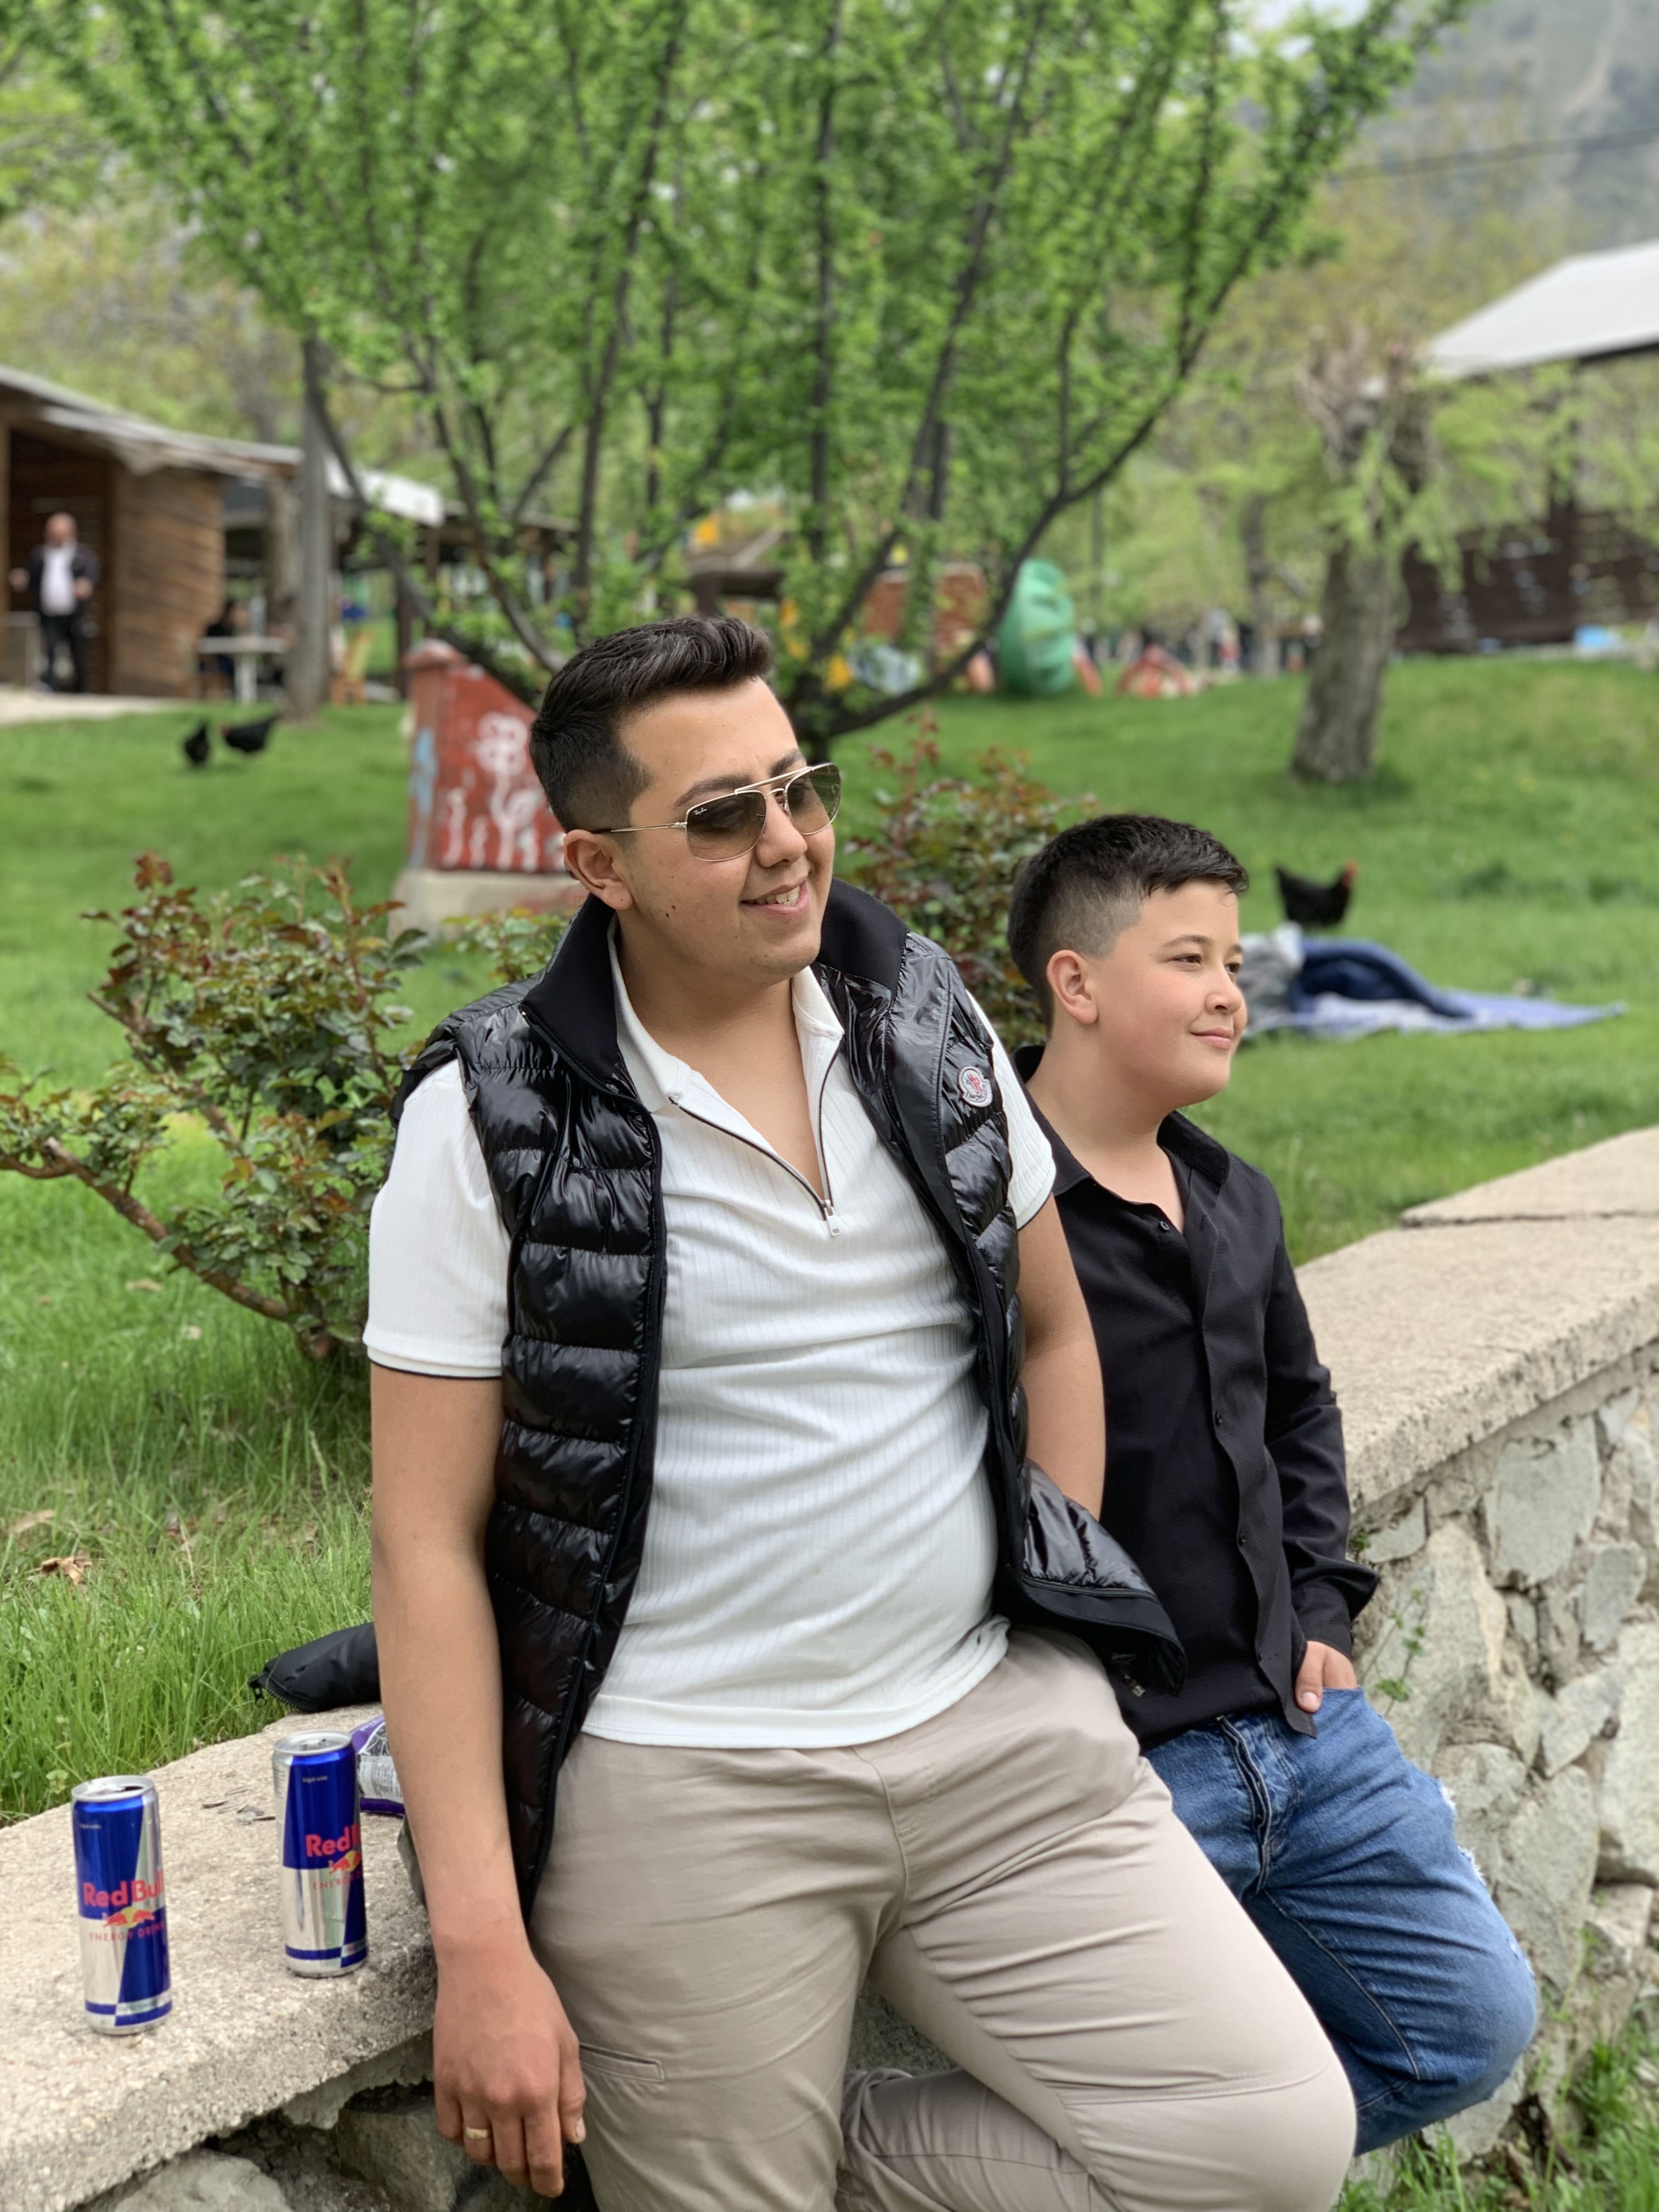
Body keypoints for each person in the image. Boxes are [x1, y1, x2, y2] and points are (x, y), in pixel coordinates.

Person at [366, 618, 1357, 2212]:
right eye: (721, 816)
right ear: (599, 865)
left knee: (1269, 2150)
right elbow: (423, 1544)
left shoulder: (919, 1012)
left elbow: (1053, 1330)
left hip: (994, 1732)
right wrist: (482, 1945)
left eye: (799, 787)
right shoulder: (489, 1115)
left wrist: (1057, 1633)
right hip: (687, 1784)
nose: (788, 843)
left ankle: (768, 2159)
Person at [1006, 813, 1539, 2157]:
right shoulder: (985, 1212)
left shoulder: (1232, 1196)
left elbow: (1299, 1411)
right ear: (1076, 982)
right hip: (1126, 1764)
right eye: (1189, 959)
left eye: (1234, 963)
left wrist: (1323, 1607)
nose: (1231, 995)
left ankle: (1212, 2177)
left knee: (1471, 2027)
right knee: (1187, 2106)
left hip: (1305, 1733)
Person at [9, 511, 98, 692]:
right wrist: (22, 578)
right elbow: (30, 576)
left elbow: (93, 574)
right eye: (51, 531)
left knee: (78, 652)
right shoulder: (41, 554)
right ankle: (52, 688)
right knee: (50, 650)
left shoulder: (82, 554)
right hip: (49, 612)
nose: (53, 534)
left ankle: (81, 692)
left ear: (70, 532)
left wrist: (86, 584)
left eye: (58, 531)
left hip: (74, 613)